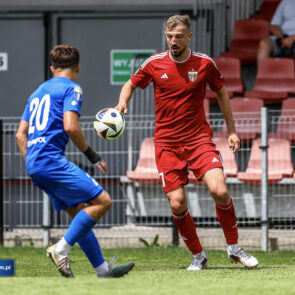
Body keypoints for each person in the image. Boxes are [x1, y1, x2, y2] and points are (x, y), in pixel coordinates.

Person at [116, 15, 259, 271]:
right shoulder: (154, 63)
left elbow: (223, 93)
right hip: (167, 144)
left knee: (220, 190)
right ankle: (198, 256)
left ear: (189, 36)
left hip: (199, 140)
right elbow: (130, 83)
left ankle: (234, 248)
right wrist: (122, 102)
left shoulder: (204, 64)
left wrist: (232, 131)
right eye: (170, 37)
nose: (173, 41)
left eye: (178, 36)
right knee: (177, 203)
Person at [16, 44, 134, 278]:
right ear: (78, 67)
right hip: (51, 162)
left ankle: (103, 270)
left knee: (81, 213)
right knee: (103, 201)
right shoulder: (72, 88)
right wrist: (92, 155)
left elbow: (20, 134)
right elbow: (71, 126)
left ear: (52, 68)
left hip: (34, 164)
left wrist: (33, 164)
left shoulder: (37, 92)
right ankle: (60, 249)